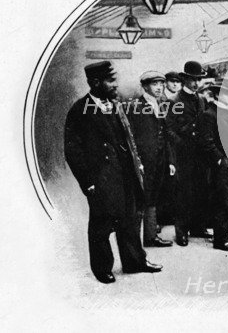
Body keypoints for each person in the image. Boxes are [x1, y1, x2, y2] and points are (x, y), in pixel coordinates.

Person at [64, 61, 162, 284]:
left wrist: (137, 164)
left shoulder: (116, 105)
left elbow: (128, 138)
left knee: (130, 221)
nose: (115, 85)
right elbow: (72, 151)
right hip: (102, 179)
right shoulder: (80, 110)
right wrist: (88, 182)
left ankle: (135, 261)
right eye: (111, 81)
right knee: (101, 224)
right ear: (95, 82)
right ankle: (102, 269)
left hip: (126, 175)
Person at [127, 71, 175, 248]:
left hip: (159, 160)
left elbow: (165, 135)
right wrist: (137, 160)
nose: (160, 87)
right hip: (144, 161)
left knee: (154, 196)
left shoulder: (161, 104)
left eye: (162, 84)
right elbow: (130, 137)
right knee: (143, 198)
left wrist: (170, 160)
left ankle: (150, 236)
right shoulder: (135, 107)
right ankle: (141, 239)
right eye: (155, 84)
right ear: (145, 86)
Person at [166, 61, 210, 246]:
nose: (196, 83)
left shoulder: (202, 100)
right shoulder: (175, 101)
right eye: (193, 79)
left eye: (199, 79)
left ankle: (198, 226)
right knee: (184, 193)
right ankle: (181, 231)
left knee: (201, 190)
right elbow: (168, 129)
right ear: (185, 79)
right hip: (184, 154)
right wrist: (181, 144)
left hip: (201, 153)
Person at [196, 81, 228, 251]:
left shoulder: (227, 113)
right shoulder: (209, 114)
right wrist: (220, 160)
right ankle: (220, 240)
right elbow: (206, 142)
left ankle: (225, 234)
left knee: (227, 200)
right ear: (217, 95)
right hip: (219, 165)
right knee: (222, 202)